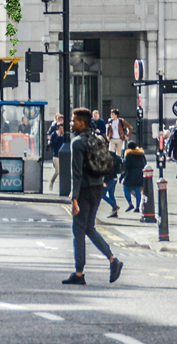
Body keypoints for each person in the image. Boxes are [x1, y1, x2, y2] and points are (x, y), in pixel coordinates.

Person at [61, 107, 122, 285]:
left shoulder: (77, 143)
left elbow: (77, 173)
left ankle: (79, 273)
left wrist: (74, 199)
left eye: (73, 121)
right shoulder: (98, 139)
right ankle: (112, 260)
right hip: (98, 188)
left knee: (78, 231)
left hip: (85, 190)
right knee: (89, 227)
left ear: (82, 122)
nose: (71, 124)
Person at [121, 140, 149, 215]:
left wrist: (121, 177)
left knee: (126, 189)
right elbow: (145, 163)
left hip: (130, 175)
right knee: (137, 190)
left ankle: (130, 204)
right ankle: (137, 207)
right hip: (140, 174)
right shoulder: (141, 154)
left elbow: (126, 167)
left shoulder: (128, 155)